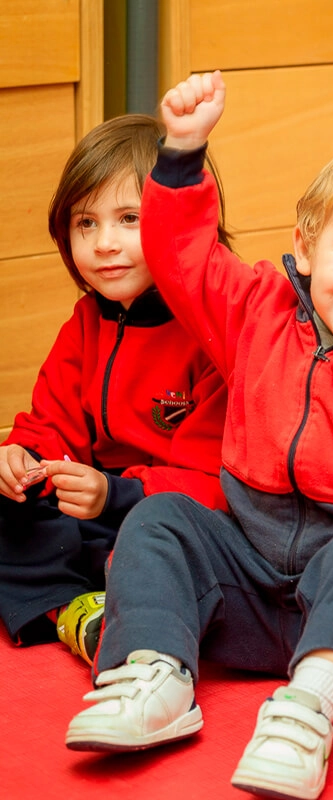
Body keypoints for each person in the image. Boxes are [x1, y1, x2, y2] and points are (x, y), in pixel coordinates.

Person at [65, 70, 333, 800]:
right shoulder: (257, 309)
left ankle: (305, 706)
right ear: (307, 246)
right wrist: (182, 155)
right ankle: (155, 673)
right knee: (160, 518)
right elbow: (183, 258)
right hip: (244, 584)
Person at [0, 113, 230, 667]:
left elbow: (220, 482)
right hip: (91, 508)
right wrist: (22, 461)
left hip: (168, 513)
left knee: (169, 545)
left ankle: (111, 608)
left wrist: (117, 495)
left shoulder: (211, 331)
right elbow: (49, 423)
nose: (105, 244)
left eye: (130, 219)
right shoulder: (85, 321)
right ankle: (82, 611)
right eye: (86, 223)